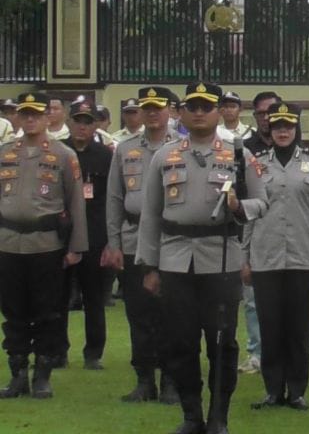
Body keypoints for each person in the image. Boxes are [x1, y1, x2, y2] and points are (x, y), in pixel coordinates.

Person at [136, 82, 264, 434]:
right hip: (176, 258)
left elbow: (262, 201)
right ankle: (191, 415)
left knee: (222, 343)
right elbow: (151, 214)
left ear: (218, 111)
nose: (198, 112)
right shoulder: (165, 155)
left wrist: (239, 207)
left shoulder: (238, 154)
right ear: (181, 112)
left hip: (220, 258)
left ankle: (218, 416)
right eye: (192, 106)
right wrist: (149, 266)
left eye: (206, 106)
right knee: (181, 342)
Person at [239, 102, 309, 411]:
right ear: (270, 129)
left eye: (288, 127)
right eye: (277, 126)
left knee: (299, 327)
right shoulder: (257, 164)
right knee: (270, 326)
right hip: (265, 255)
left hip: (303, 256)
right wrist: (245, 258)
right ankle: (272, 390)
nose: (282, 132)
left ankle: (296, 390)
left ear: (296, 129)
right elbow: (249, 213)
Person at [0, 92, 86, 400]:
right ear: (18, 117)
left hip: (47, 245)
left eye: (36, 113)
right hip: (9, 244)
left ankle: (43, 376)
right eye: (25, 113)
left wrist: (76, 246)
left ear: (47, 116)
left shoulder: (63, 155)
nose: (30, 119)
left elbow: (76, 203)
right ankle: (18, 374)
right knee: (13, 312)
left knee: (48, 312)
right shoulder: (5, 152)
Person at [103, 86, 177, 404]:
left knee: (172, 314)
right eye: (147, 107)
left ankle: (171, 380)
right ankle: (144, 380)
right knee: (139, 313)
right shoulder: (125, 148)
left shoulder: (182, 146)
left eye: (158, 107)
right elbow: (114, 198)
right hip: (133, 239)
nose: (152, 113)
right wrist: (113, 242)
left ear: (170, 110)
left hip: (171, 240)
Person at [59, 99, 113, 372]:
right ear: (69, 122)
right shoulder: (58, 152)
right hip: (61, 235)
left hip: (94, 235)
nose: (82, 127)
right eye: (78, 121)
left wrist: (109, 240)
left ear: (95, 125)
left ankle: (93, 353)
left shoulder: (105, 156)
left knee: (94, 298)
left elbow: (111, 199)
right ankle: (57, 352)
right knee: (58, 298)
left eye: (88, 122)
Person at [237, 91, 279, 376]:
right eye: (261, 113)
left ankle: (280, 353)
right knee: (252, 298)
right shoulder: (244, 149)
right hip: (253, 229)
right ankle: (256, 352)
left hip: (287, 231)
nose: (266, 118)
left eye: (271, 112)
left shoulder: (292, 144)